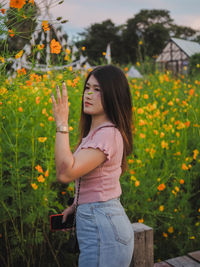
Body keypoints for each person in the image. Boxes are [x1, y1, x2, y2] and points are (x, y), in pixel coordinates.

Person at [51, 65, 134, 267]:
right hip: (102, 223)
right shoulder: (96, 133)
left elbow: (65, 173)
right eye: (87, 88)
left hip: (104, 228)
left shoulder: (108, 134)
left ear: (114, 95)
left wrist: (62, 123)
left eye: (98, 90)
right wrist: (76, 206)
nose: (88, 94)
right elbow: (99, 182)